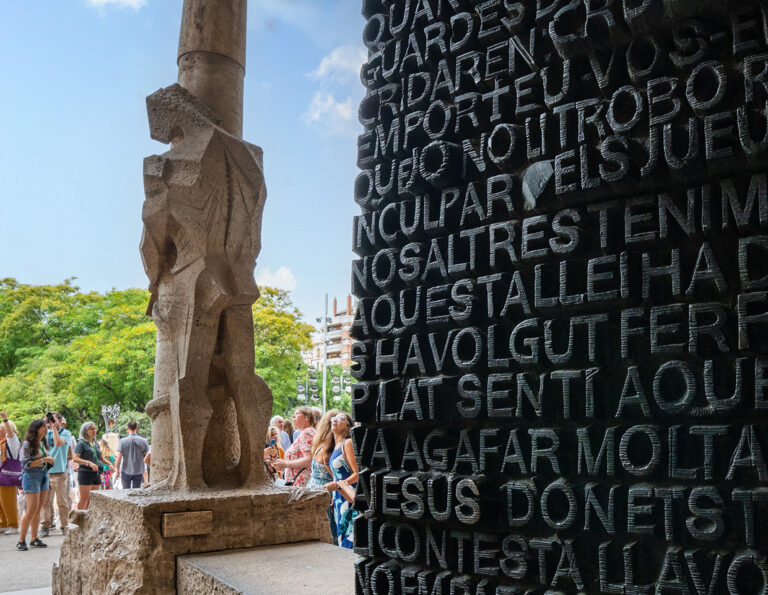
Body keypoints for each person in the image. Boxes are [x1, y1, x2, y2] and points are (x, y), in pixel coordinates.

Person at [17, 419, 54, 551]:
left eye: (46, 426)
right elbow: (25, 464)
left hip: (44, 475)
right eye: (42, 427)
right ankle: (21, 540)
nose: (46, 428)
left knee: (38, 509)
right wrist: (44, 459)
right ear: (35, 429)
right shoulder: (27, 444)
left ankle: (34, 538)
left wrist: (48, 462)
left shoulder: (44, 442)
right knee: (31, 509)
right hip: (32, 476)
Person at [323, 412, 358, 549]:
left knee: (350, 537)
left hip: (349, 495)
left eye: (341, 418)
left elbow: (357, 474)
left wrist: (338, 485)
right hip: (338, 496)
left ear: (349, 427)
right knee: (341, 535)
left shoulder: (347, 443)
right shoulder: (334, 447)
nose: (335, 420)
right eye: (334, 418)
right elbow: (336, 474)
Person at [306, 409, 338, 543]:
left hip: (313, 487)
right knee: (330, 531)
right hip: (325, 491)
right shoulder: (329, 449)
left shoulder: (319, 445)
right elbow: (334, 475)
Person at [40, 412, 72, 536]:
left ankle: (64, 525)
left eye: (53, 420)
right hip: (46, 472)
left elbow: (58, 443)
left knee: (62, 501)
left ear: (59, 420)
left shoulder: (66, 433)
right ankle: (45, 526)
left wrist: (54, 428)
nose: (50, 423)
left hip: (60, 472)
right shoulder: (45, 434)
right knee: (46, 501)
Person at [73, 422, 113, 510]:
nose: (94, 431)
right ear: (85, 431)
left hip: (97, 473)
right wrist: (88, 462)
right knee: (84, 499)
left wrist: (109, 464)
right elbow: (75, 458)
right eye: (92, 429)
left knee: (93, 499)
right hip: (85, 473)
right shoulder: (81, 443)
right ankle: (79, 520)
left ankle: (88, 519)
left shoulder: (95, 443)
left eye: (95, 429)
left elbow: (101, 457)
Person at [272, 406, 315, 487]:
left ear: (307, 418)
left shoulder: (306, 433)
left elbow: (308, 459)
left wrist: (286, 464)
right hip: (298, 480)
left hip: (300, 481)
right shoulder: (306, 432)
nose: (293, 416)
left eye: (297, 414)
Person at [0, 412, 20, 535]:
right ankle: (4, 523)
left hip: (8, 475)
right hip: (1, 475)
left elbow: (11, 436)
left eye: (2, 429)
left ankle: (13, 524)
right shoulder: (1, 443)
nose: (1, 431)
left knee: (8, 501)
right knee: (1, 501)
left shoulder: (11, 442)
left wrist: (5, 420)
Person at [115, 421, 149, 489]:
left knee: (125, 491)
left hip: (126, 470)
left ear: (127, 428)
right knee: (136, 492)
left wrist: (117, 470)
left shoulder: (122, 441)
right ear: (137, 428)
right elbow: (147, 456)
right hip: (138, 470)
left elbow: (119, 459)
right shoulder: (144, 441)